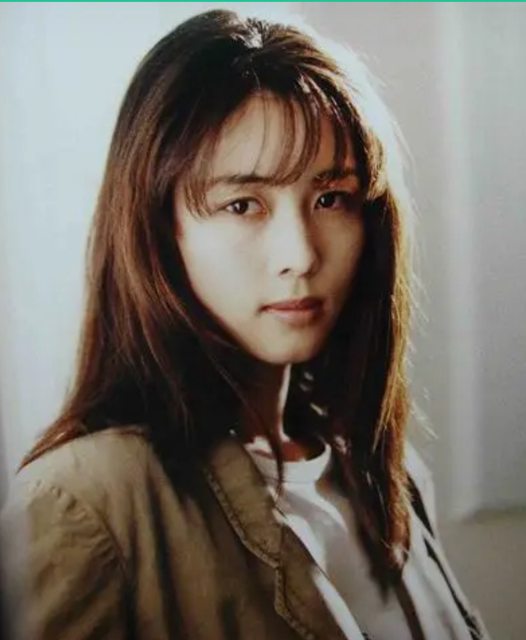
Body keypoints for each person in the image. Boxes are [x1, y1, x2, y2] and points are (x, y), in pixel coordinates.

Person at [0, 8, 490, 640]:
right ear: (159, 231)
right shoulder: (87, 504)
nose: (301, 255)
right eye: (242, 204)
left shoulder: (382, 472)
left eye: (330, 198)